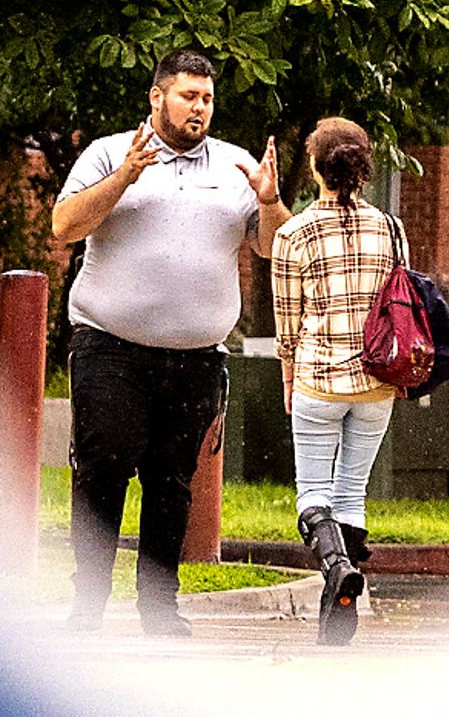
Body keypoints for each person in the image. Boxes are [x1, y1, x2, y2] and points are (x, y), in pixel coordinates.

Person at [49, 47, 282, 637]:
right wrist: (125, 177)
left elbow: (270, 248)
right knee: (101, 470)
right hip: (109, 347)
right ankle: (88, 603)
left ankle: (159, 605)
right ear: (157, 98)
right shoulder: (108, 153)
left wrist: (270, 201)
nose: (199, 108)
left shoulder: (236, 167)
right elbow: (64, 226)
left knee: (172, 479)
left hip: (196, 358)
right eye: (187, 96)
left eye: (206, 98)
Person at [265, 117, 399, 645]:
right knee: (351, 493)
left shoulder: (292, 233)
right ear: (363, 166)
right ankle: (337, 614)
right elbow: (399, 305)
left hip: (318, 379)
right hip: (376, 383)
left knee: (312, 497)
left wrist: (287, 381)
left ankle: (340, 573)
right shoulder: (391, 228)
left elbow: (286, 323)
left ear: (316, 168)